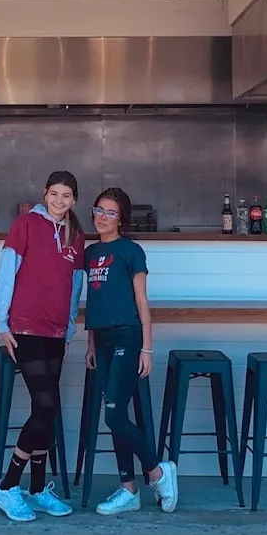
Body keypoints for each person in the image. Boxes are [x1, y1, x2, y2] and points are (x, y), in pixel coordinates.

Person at [0, 171, 86, 522]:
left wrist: (70, 327)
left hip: (56, 332)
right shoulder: (26, 224)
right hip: (26, 329)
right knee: (45, 408)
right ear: (45, 194)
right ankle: (7, 485)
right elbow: (6, 271)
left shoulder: (77, 235)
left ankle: (38, 488)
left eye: (67, 195)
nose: (60, 201)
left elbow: (75, 284)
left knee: (46, 408)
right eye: (54, 194)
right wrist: (3, 323)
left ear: (75, 200)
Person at [83, 186, 179, 516]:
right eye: (98, 210)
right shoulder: (90, 253)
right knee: (116, 414)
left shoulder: (131, 251)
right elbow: (94, 302)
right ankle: (129, 490)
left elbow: (141, 300)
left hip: (128, 337)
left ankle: (157, 472)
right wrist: (92, 344)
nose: (102, 217)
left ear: (121, 218)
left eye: (110, 213)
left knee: (113, 414)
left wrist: (148, 348)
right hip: (104, 340)